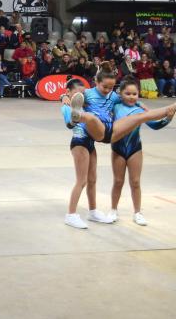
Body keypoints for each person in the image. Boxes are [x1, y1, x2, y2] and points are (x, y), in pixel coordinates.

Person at [108, 78, 171, 226]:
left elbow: (155, 126)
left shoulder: (141, 110)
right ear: (120, 94)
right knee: (118, 181)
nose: (131, 96)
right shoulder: (115, 106)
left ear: (139, 94)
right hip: (118, 148)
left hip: (135, 149)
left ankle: (137, 213)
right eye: (127, 93)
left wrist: (168, 117)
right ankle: (113, 210)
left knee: (135, 182)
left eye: (134, 94)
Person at [65, 63, 176, 145]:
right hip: (95, 129)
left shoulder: (114, 96)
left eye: (111, 87)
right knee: (91, 117)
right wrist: (64, 97)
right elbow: (73, 96)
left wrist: (138, 102)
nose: (108, 90)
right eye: (105, 87)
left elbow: (127, 99)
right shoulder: (87, 93)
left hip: (111, 130)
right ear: (96, 82)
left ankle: (172, 107)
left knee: (141, 116)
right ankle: (76, 116)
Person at [59, 78, 112, 229]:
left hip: (90, 143)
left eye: (82, 94)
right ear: (69, 92)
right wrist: (64, 98)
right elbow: (69, 124)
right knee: (81, 181)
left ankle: (93, 211)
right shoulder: (66, 105)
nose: (80, 97)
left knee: (92, 179)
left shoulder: (86, 104)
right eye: (77, 94)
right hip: (79, 143)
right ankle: (71, 214)